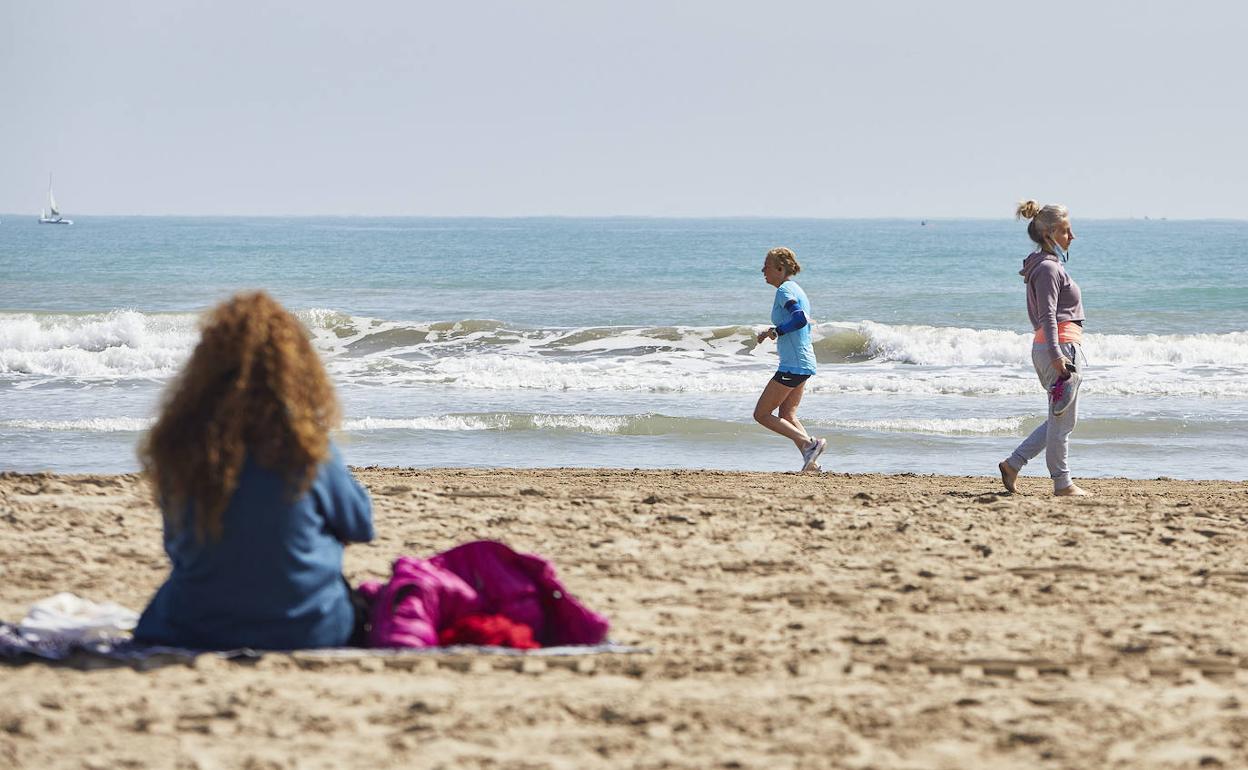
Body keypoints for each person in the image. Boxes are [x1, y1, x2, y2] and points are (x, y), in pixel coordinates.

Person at [133, 291, 375, 650]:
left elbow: (176, 544)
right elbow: (360, 525)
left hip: (194, 626)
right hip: (309, 629)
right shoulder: (308, 447)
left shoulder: (180, 446)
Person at [998, 200, 1089, 496]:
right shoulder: (1048, 268)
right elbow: (1047, 315)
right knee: (1062, 422)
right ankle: (1062, 484)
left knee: (1060, 419)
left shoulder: (1045, 265)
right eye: (1066, 231)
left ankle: (1014, 463)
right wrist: (1058, 355)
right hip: (1060, 348)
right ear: (1050, 233)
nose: (1071, 236)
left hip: (1056, 345)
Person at [753, 246, 826, 472]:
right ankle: (811, 461)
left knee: (762, 414)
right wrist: (772, 331)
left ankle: (809, 444)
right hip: (803, 362)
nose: (762, 270)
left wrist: (776, 332)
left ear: (780, 268)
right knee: (787, 415)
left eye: (766, 266)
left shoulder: (784, 290)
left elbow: (799, 319)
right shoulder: (796, 289)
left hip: (793, 364)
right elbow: (796, 320)